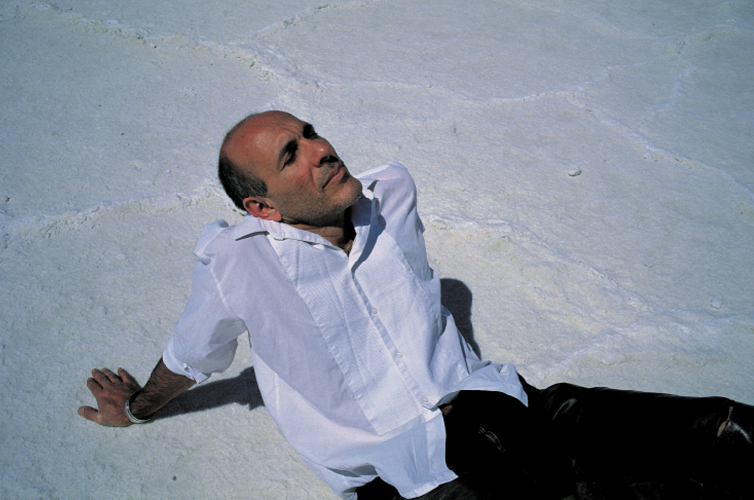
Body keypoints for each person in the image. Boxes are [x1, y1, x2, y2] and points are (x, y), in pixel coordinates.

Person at [79, 111, 753, 500]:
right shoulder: (238, 264)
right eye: (293, 155)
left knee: (725, 429)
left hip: (509, 405)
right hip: (404, 472)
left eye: (311, 133)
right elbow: (191, 355)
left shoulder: (390, 192)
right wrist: (138, 407)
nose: (321, 150)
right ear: (263, 207)